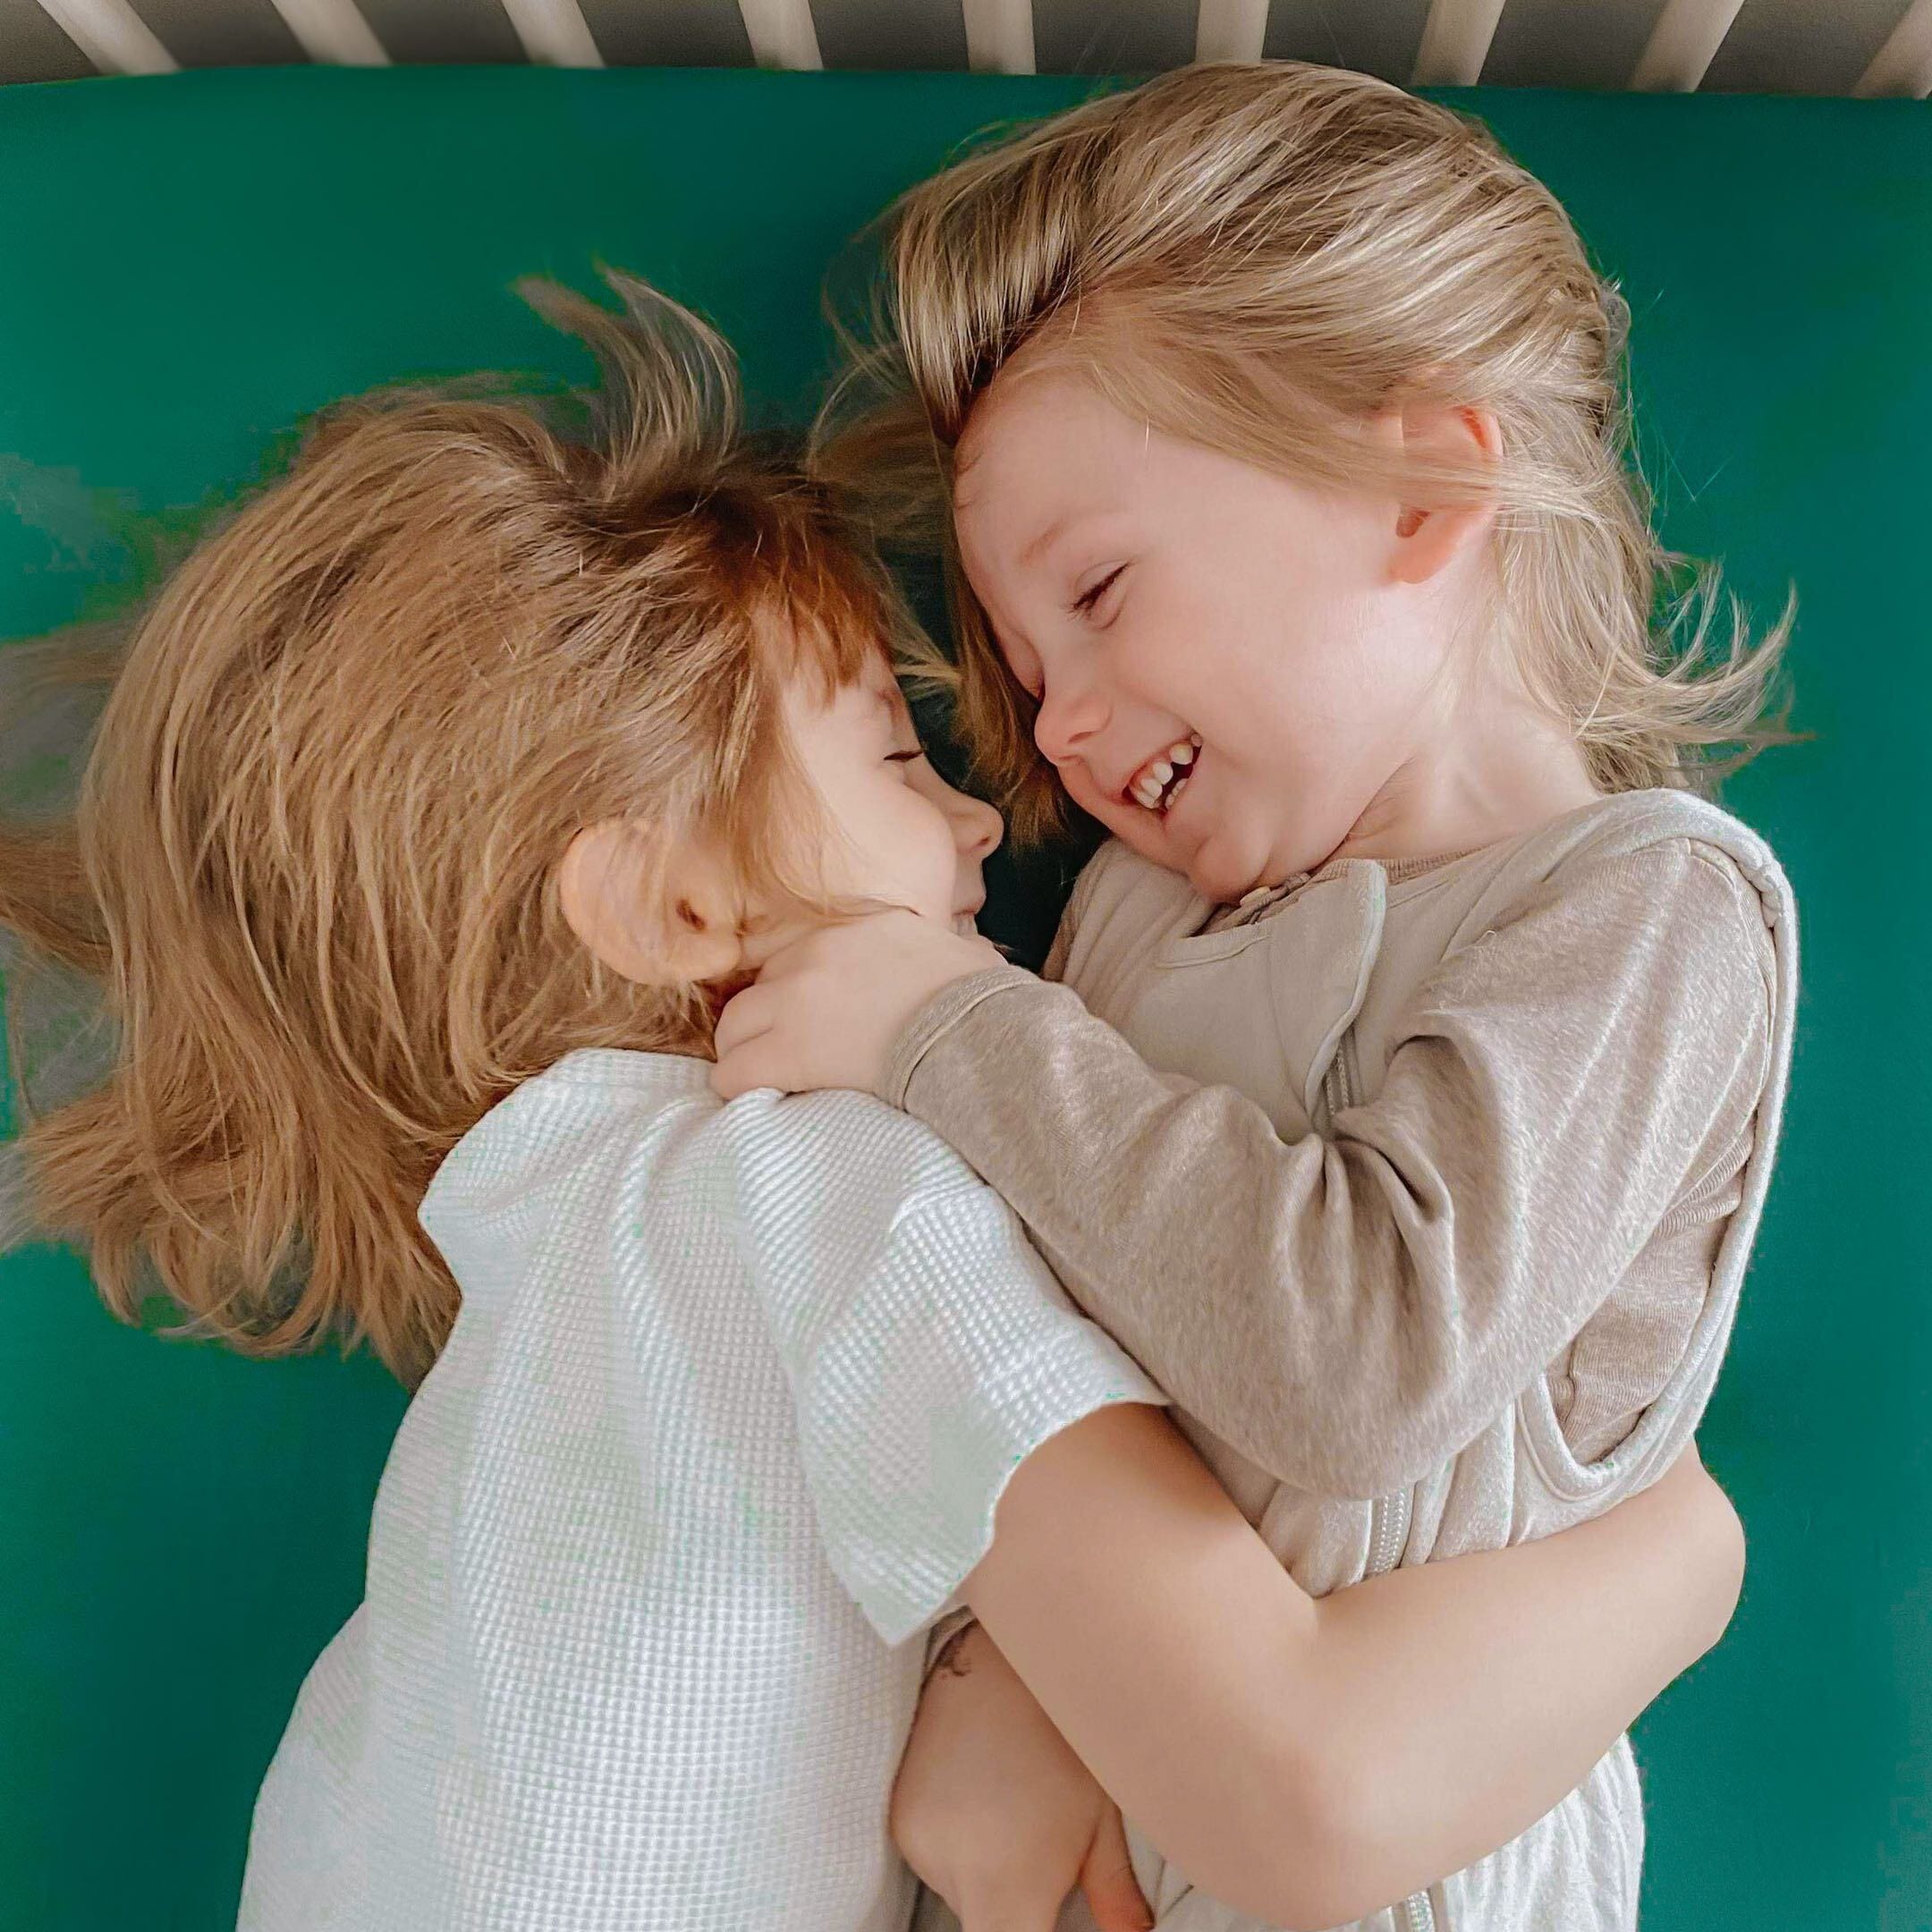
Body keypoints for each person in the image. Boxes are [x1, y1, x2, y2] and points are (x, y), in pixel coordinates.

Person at [711, 63, 1796, 1932]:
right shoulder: (1130, 923)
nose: (1052, 720)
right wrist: (1009, 1682)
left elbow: (1361, 1359)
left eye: (1104, 593)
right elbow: (988, 1324)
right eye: (1022, 664)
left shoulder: (1640, 918)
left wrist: (940, 1027)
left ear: (1425, 487)